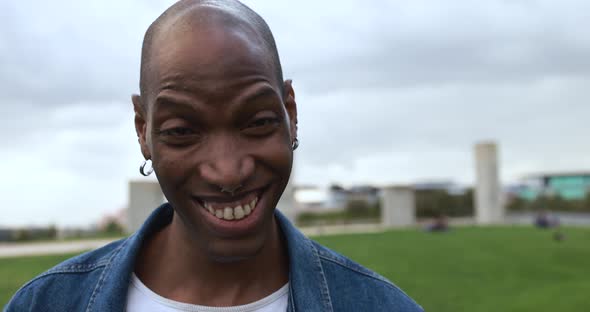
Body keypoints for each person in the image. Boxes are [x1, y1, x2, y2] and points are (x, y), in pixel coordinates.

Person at [5, 1, 423, 311]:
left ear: (290, 113)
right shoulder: (45, 304)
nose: (228, 171)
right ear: (142, 130)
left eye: (257, 122)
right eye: (183, 131)